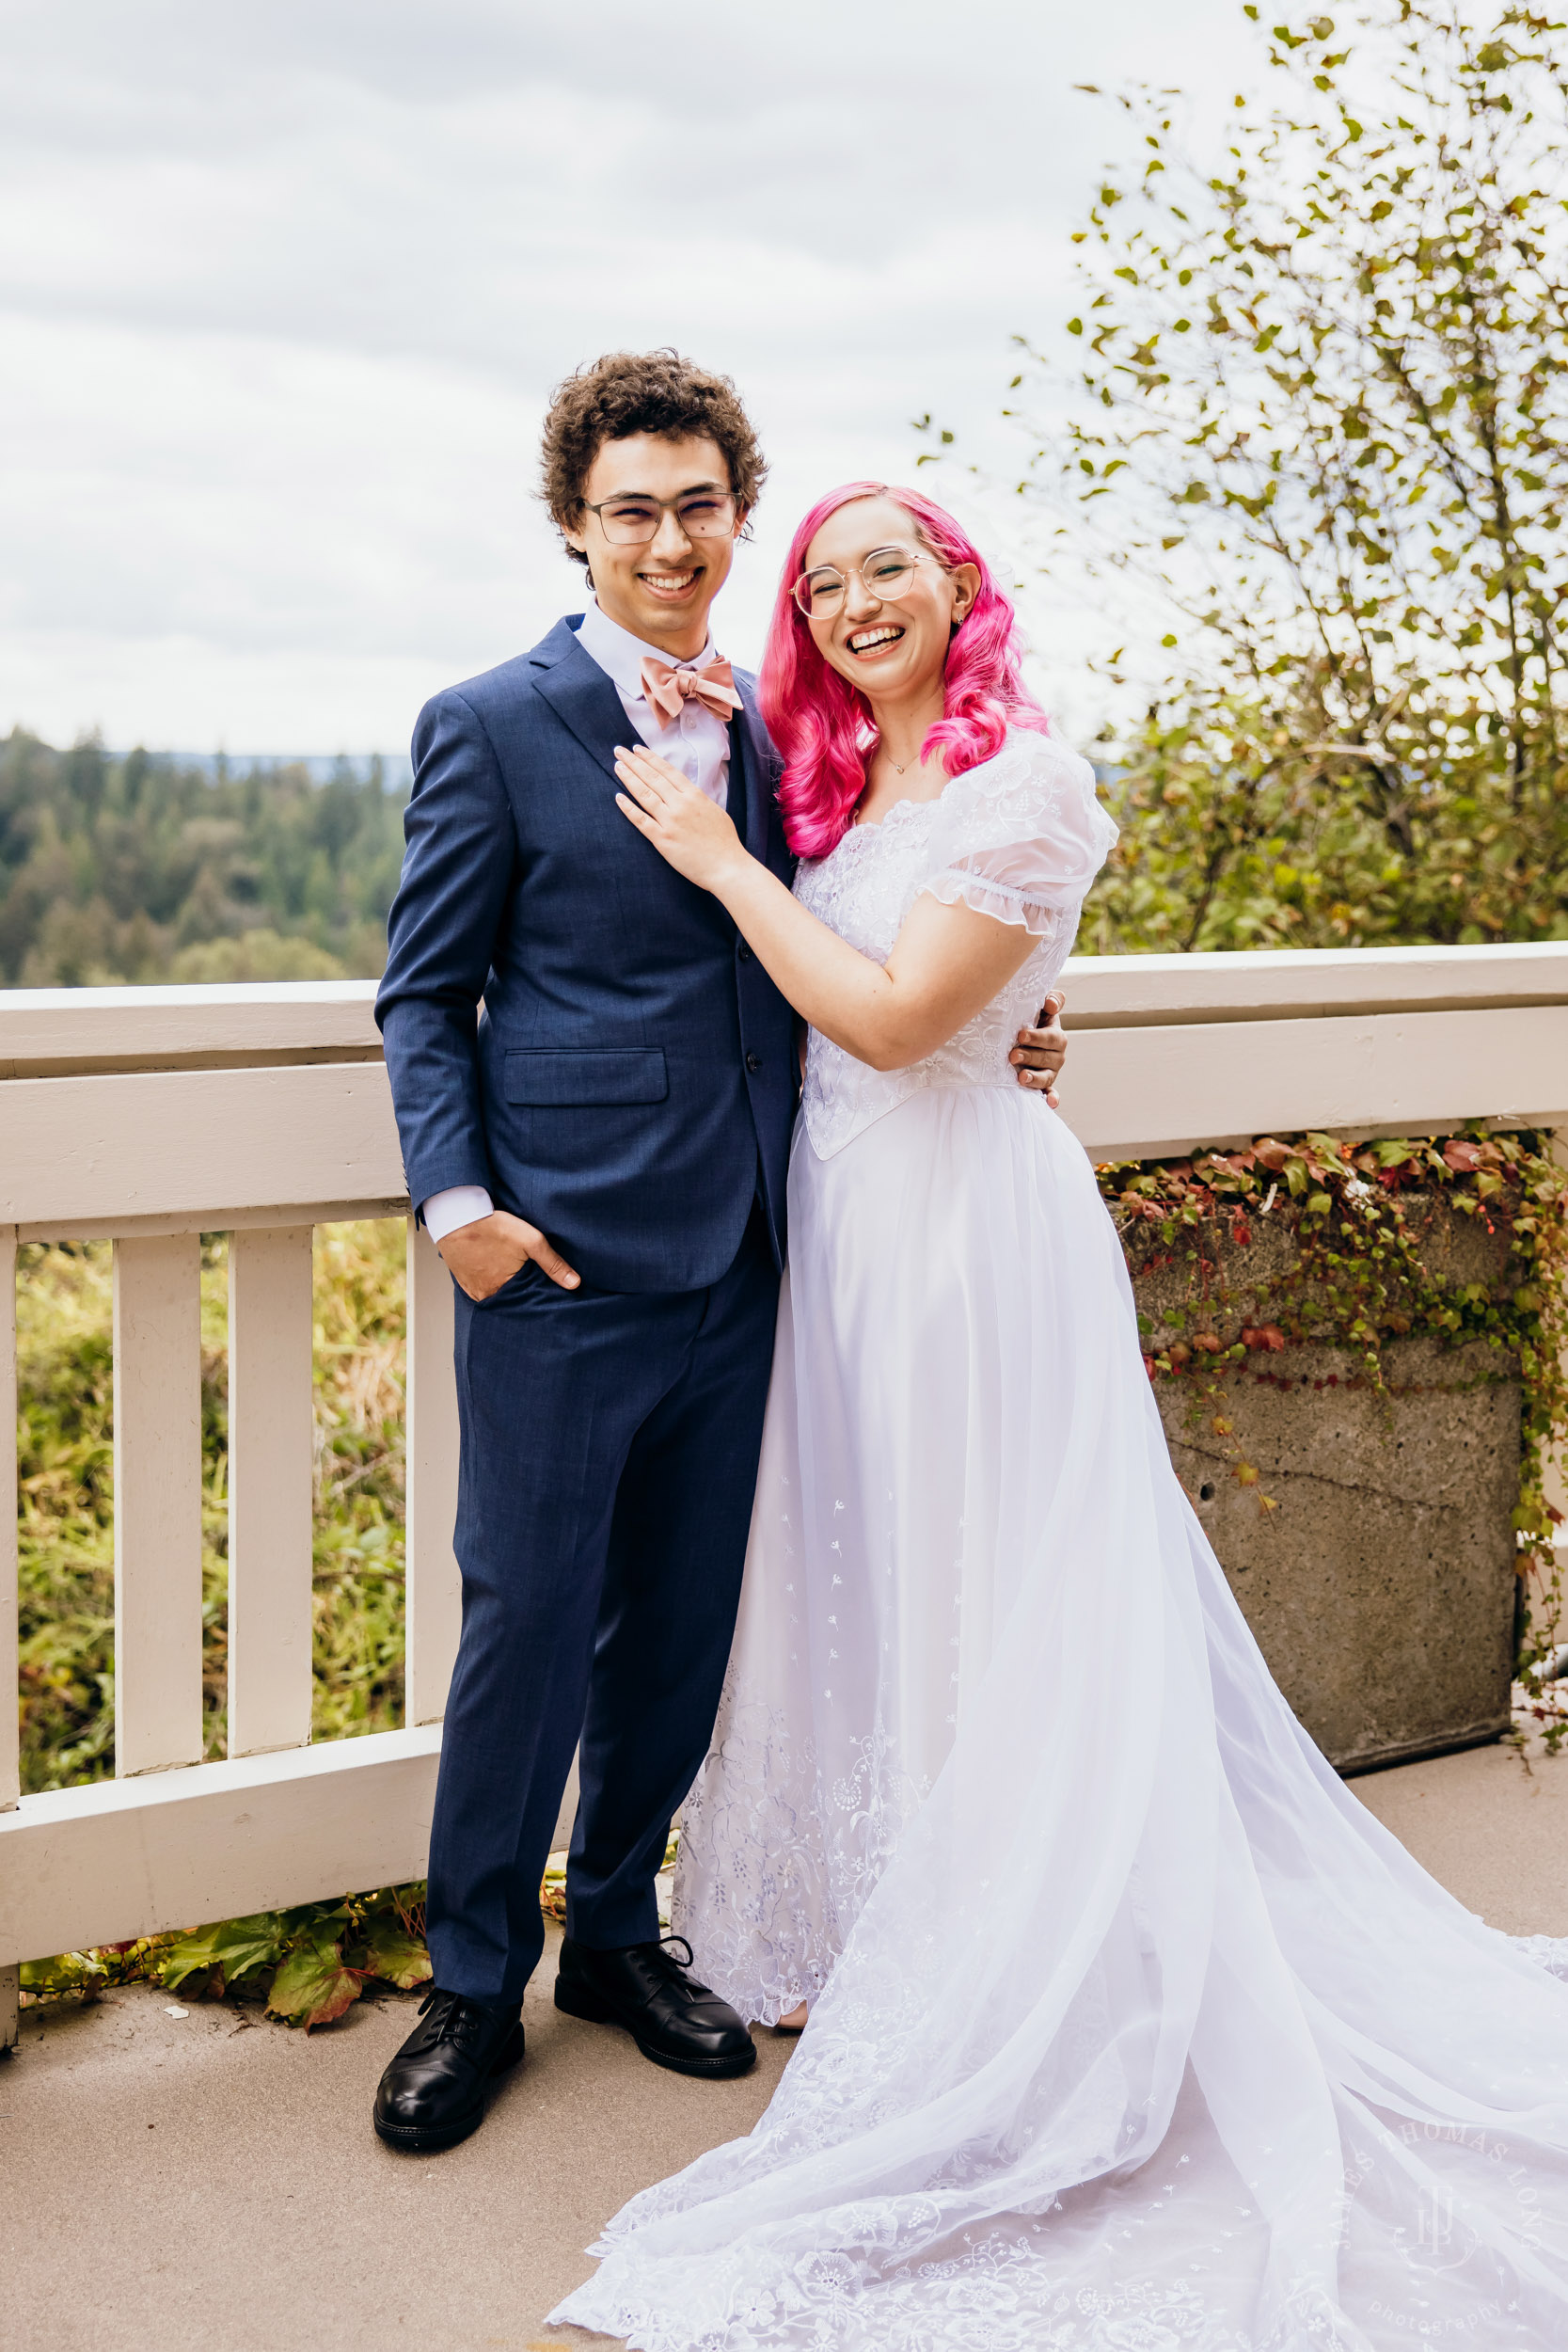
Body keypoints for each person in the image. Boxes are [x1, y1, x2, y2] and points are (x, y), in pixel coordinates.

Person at [552, 482, 1568, 2349]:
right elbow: (917, 986)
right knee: (857, 1578)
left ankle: (1004, 1969)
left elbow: (881, 1014)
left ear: (959, 588)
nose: (857, 598)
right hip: (843, 1232)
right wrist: (982, 987)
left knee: (982, 1586)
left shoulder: (1030, 777)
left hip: (963, 1247)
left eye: (891, 566)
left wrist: (723, 863)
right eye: (828, 576)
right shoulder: (845, 782)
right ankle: (861, 1930)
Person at [370, 361, 1067, 2154]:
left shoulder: (781, 723)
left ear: (736, 517)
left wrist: (1019, 1029)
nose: (671, 539)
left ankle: (615, 1936)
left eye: (700, 506)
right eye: (634, 510)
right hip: (559, 1264)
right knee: (525, 1621)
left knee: (682, 1625)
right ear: (579, 528)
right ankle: (470, 1985)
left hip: (772, 1252)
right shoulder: (491, 721)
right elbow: (425, 994)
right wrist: (461, 1212)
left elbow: (895, 927)